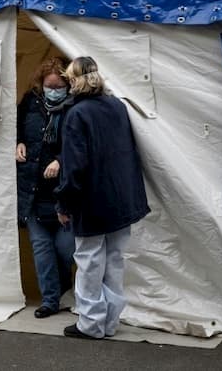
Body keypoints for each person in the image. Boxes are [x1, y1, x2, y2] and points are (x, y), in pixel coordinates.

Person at [54, 56, 150, 339]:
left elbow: (74, 167)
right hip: (122, 198)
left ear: (74, 81)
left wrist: (64, 203)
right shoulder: (118, 106)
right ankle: (109, 322)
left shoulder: (77, 114)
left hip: (92, 201)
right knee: (115, 261)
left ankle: (91, 323)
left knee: (89, 262)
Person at [16, 56, 75, 319]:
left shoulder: (75, 108)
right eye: (49, 86)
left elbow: (82, 146)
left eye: (58, 86)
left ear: (69, 85)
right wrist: (17, 142)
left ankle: (63, 290)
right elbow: (15, 127)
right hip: (33, 191)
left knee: (65, 250)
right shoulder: (30, 102)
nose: (54, 90)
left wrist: (61, 161)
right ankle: (50, 301)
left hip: (64, 194)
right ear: (41, 84)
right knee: (41, 250)